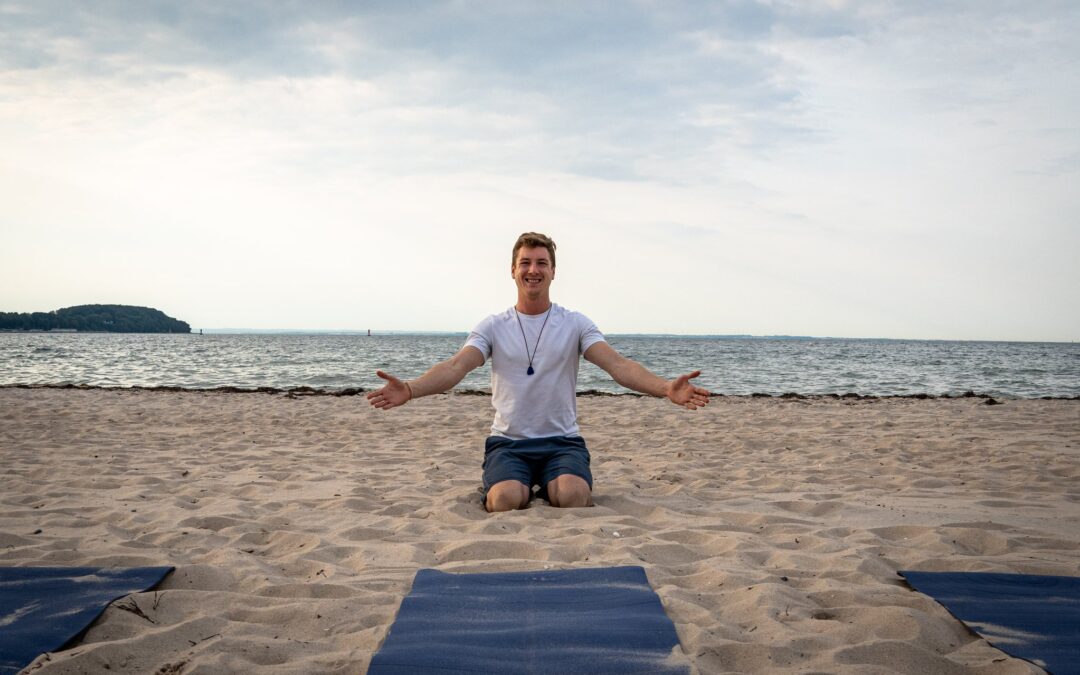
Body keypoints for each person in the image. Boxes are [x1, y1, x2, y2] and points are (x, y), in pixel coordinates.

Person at [366, 232, 710, 512]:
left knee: (573, 497)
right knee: (504, 501)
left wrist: (665, 388)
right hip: (509, 444)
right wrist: (411, 389)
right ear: (513, 270)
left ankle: (550, 482)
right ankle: (517, 483)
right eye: (526, 263)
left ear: (553, 271)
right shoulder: (493, 326)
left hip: (563, 443)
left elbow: (617, 365)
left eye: (541, 263)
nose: (533, 269)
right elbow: (457, 366)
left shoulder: (575, 323)